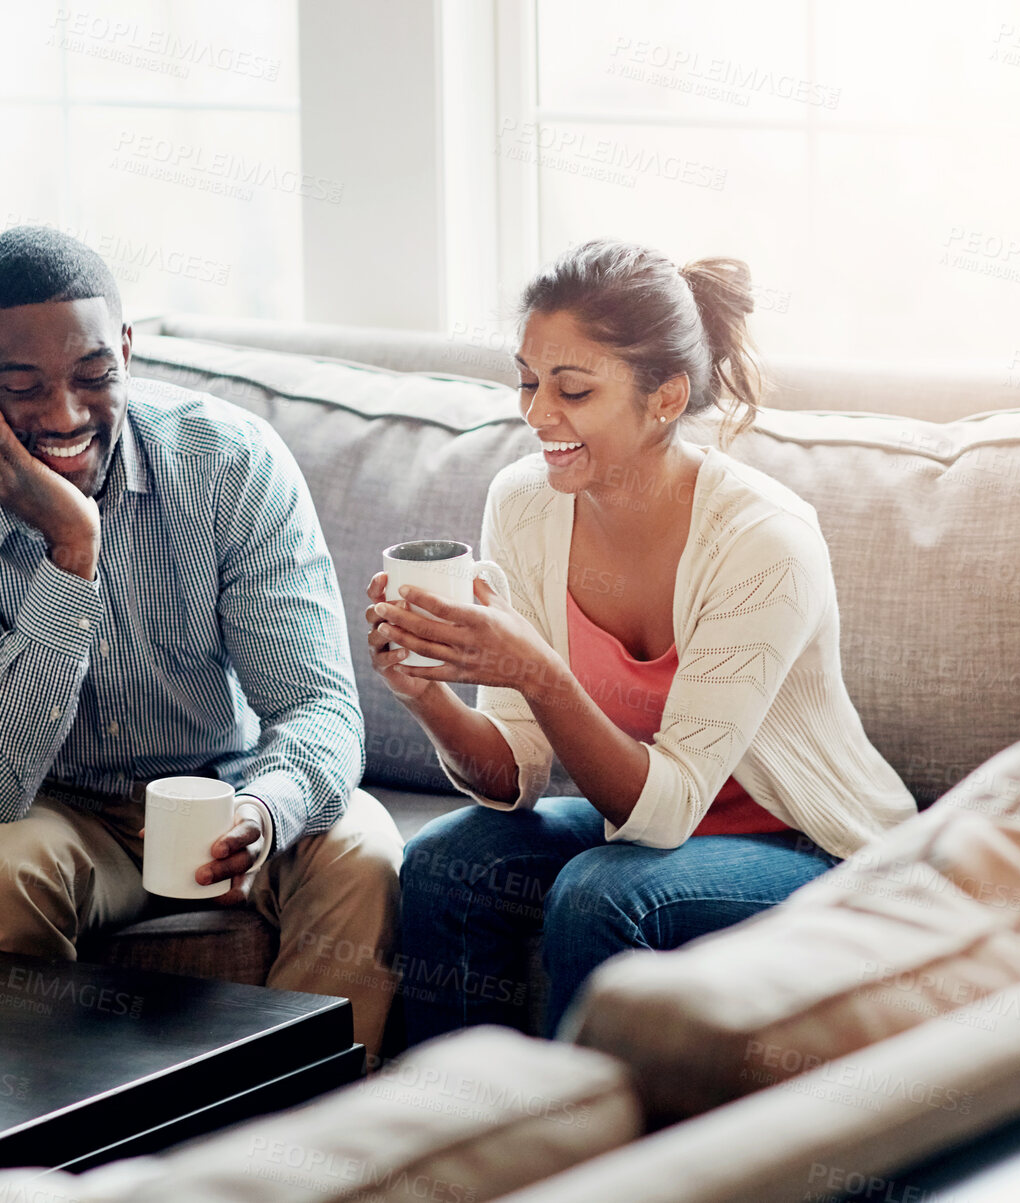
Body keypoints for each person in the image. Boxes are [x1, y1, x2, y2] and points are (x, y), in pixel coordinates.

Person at [0, 227, 402, 1057]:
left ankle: (306, 1146)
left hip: (222, 788)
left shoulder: (230, 462)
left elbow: (318, 706)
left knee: (361, 845)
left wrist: (264, 808)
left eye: (94, 377)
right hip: (47, 806)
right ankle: (42, 1159)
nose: (64, 416)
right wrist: (73, 555)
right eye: (21, 386)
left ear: (127, 350)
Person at [369, 239, 917, 1044]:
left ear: (665, 399)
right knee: (447, 863)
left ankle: (580, 1150)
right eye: (526, 381)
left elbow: (662, 813)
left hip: (808, 843)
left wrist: (535, 668)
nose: (535, 414)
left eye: (573, 390)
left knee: (602, 892)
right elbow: (513, 775)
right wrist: (427, 696)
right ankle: (455, 1132)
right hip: (647, 827)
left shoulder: (762, 541)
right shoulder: (524, 501)